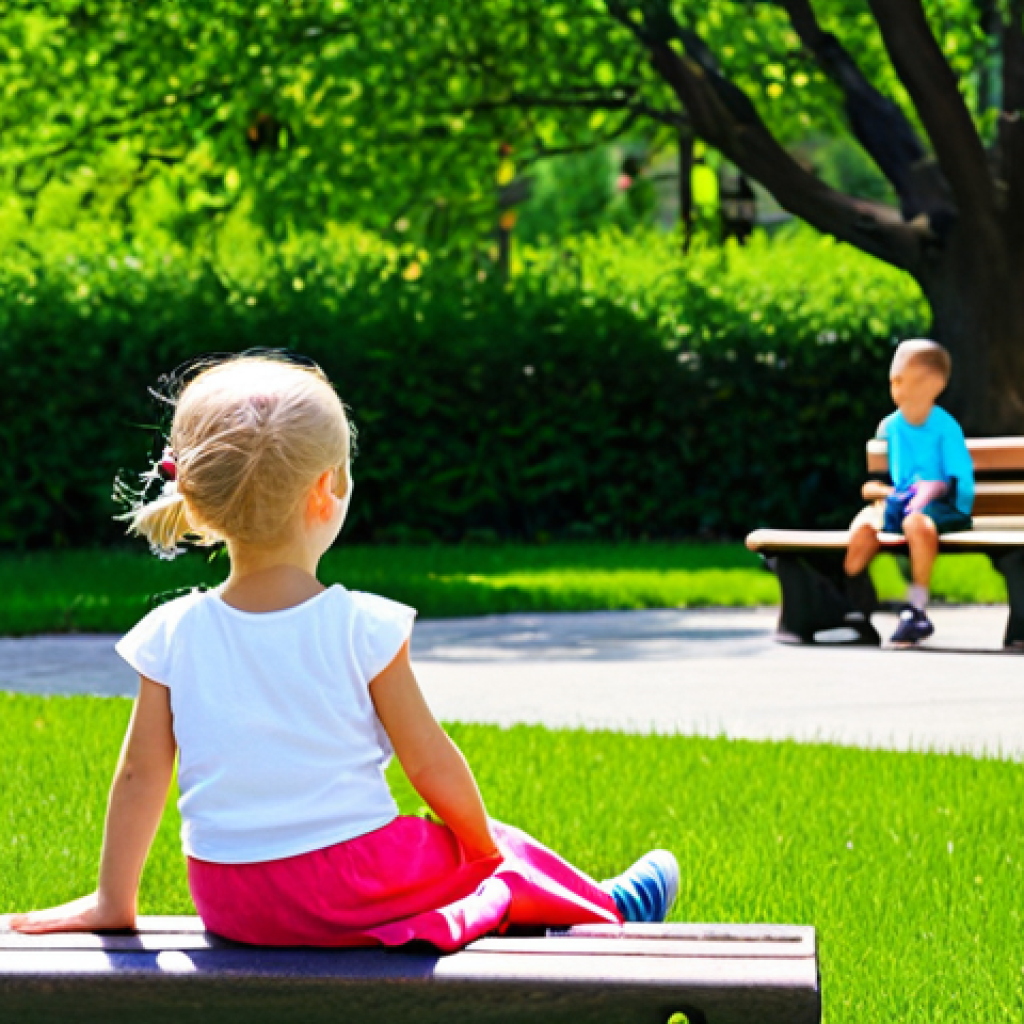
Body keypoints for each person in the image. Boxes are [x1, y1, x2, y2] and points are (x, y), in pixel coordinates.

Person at [11, 353, 678, 948]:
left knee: (454, 859)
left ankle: (568, 895)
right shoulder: (362, 626)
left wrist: (112, 902)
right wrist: (479, 849)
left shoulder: (173, 631)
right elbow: (430, 761)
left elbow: (139, 777)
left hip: (230, 902)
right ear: (325, 492)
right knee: (496, 854)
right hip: (347, 882)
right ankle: (603, 905)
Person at [844, 339, 974, 647]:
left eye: (906, 380)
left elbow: (960, 481)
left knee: (917, 523)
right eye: (894, 381)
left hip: (941, 506)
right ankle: (856, 605)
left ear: (935, 384)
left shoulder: (945, 428)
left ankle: (917, 606)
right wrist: (880, 493)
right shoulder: (889, 427)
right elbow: (876, 481)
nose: (898, 388)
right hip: (902, 502)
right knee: (862, 529)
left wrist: (934, 491)